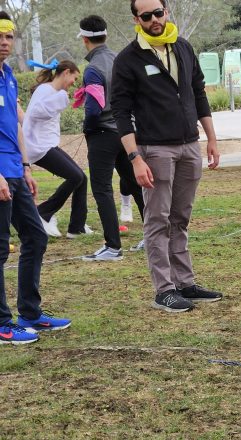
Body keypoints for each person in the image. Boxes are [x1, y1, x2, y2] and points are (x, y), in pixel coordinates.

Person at [111, 0, 223, 311]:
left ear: (166, 12)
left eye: (158, 13)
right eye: (146, 16)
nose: (154, 20)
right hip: (154, 149)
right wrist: (135, 158)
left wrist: (212, 139)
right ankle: (164, 289)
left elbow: (198, 93)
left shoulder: (183, 47)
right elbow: (120, 111)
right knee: (157, 219)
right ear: (137, 19)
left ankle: (185, 283)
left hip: (189, 145)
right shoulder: (128, 59)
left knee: (180, 218)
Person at [0, 12, 71, 344]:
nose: (4, 42)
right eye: (0, 36)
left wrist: (26, 166)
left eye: (8, 36)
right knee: (1, 248)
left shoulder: (9, 76)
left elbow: (16, 125)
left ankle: (29, 313)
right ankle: (2, 323)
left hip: (16, 170)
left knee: (35, 237)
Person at [79, 15, 146, 262]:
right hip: (127, 131)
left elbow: (94, 108)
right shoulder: (120, 60)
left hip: (102, 134)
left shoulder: (93, 69)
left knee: (102, 189)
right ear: (105, 35)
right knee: (136, 185)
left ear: (84, 39)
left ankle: (112, 246)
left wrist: (88, 129)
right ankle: (154, 235)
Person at [23, 60, 91, 240]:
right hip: (38, 147)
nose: (73, 83)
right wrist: (61, 99)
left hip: (47, 145)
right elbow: (36, 113)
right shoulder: (46, 90)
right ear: (66, 72)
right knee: (75, 177)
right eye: (74, 78)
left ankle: (77, 227)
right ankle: (43, 213)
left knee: (82, 178)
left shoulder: (51, 91)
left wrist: (62, 98)